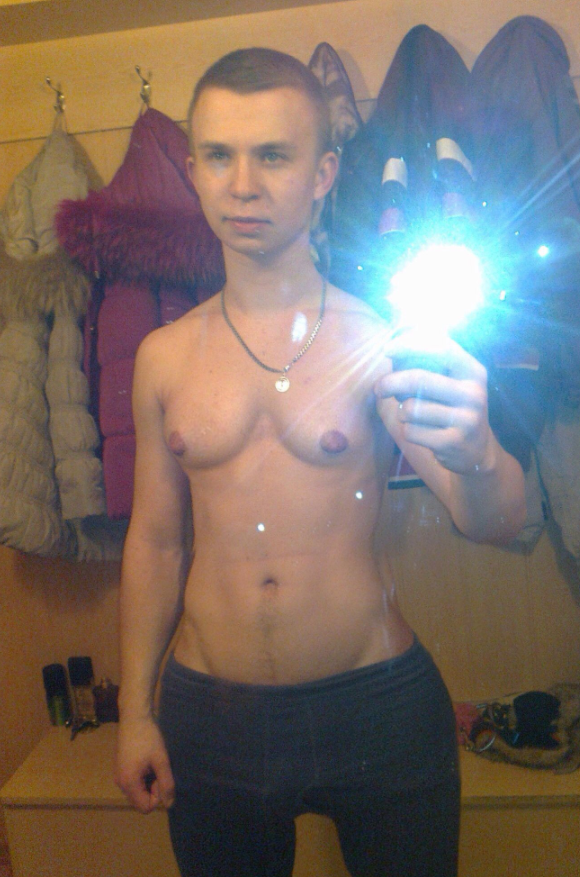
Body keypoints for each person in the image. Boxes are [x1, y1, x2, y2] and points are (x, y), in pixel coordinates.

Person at [115, 48, 526, 877]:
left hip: (376, 704)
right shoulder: (162, 356)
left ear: (323, 173)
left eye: (273, 155)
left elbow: (495, 521)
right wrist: (134, 709)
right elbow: (155, 542)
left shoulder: (378, 340)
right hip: (209, 711)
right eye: (220, 156)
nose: (243, 184)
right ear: (192, 171)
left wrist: (481, 455)